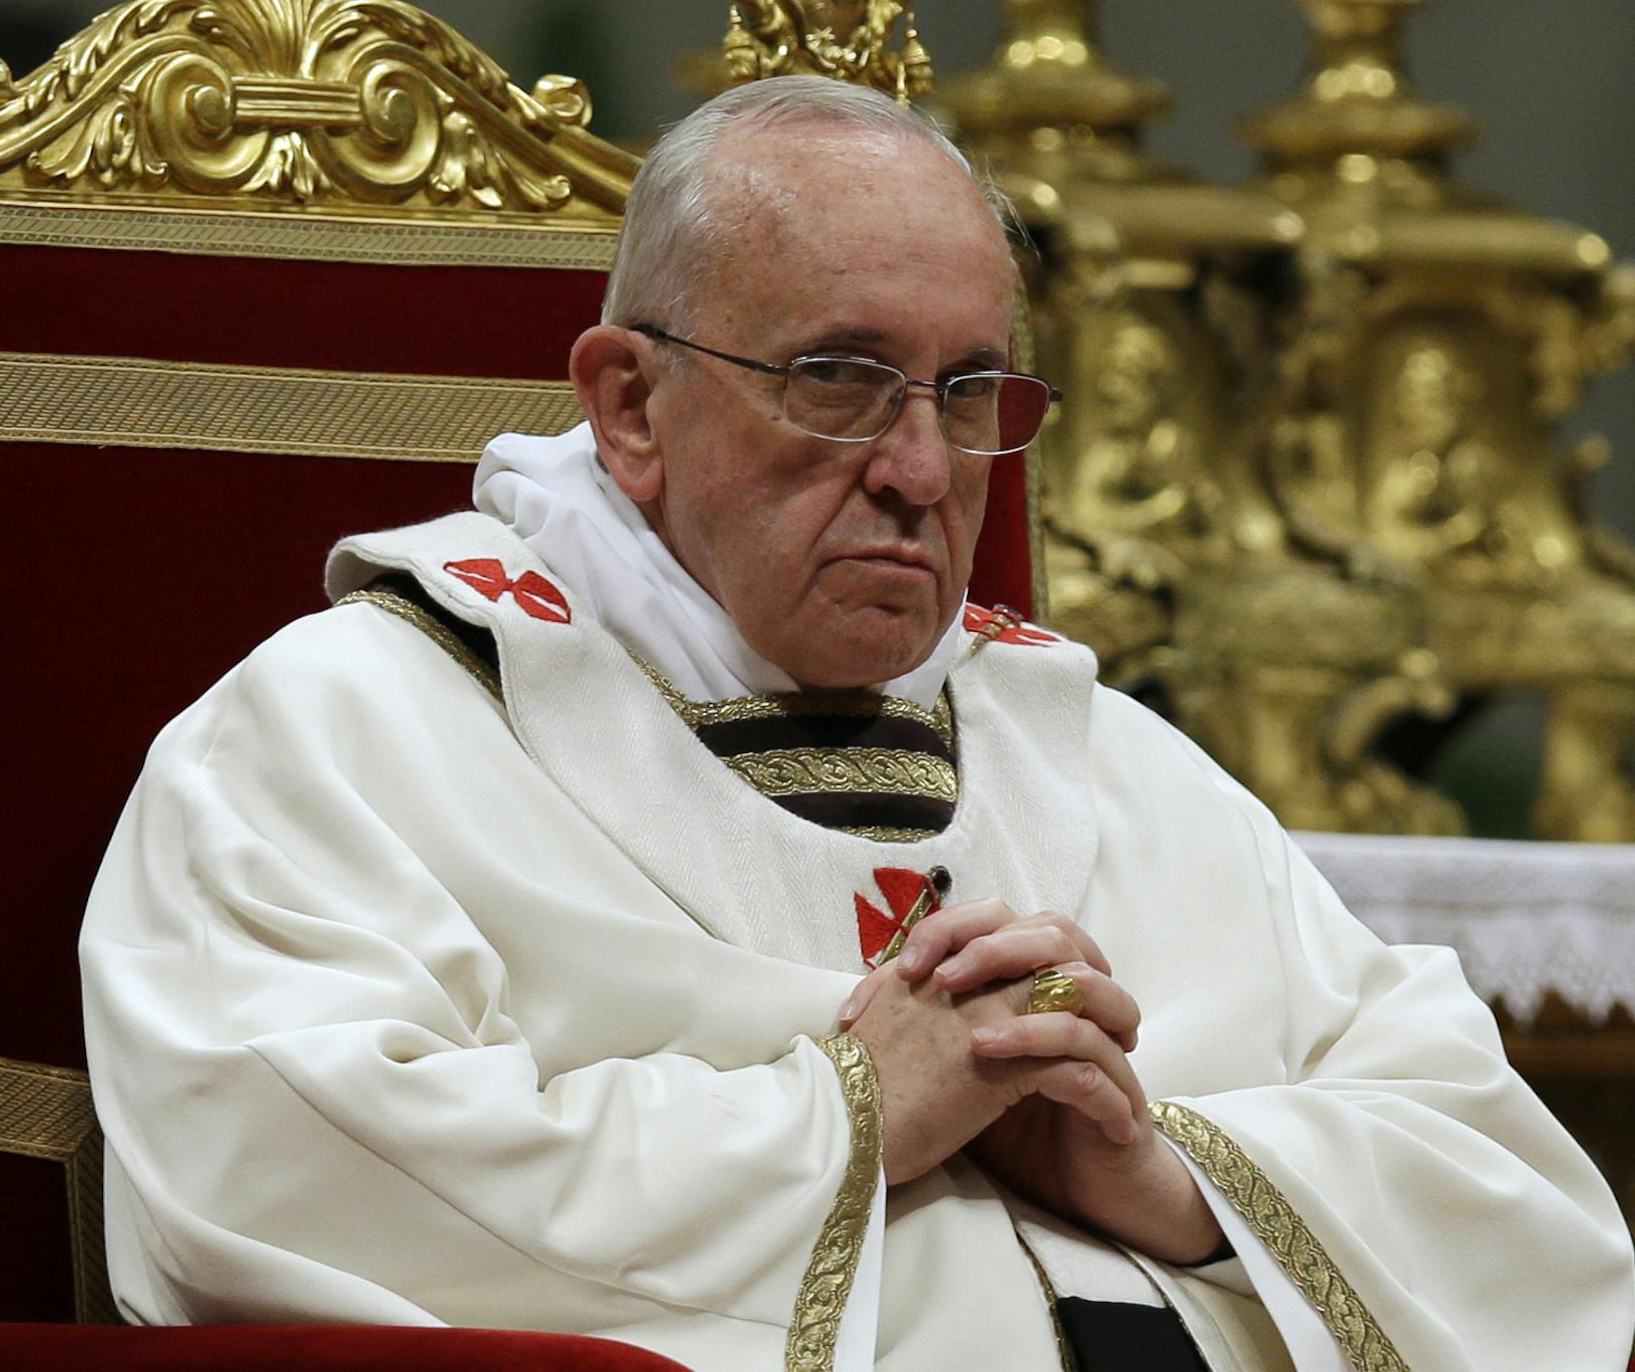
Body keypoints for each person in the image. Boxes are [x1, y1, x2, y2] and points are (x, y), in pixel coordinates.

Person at [80, 76, 1635, 1372]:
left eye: (968, 393)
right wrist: (846, 1114)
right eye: (841, 379)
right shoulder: (348, 731)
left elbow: (1513, 1192)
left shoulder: (1088, 747)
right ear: (629, 404)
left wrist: (1168, 1178)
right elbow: (286, 1163)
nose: (918, 466)